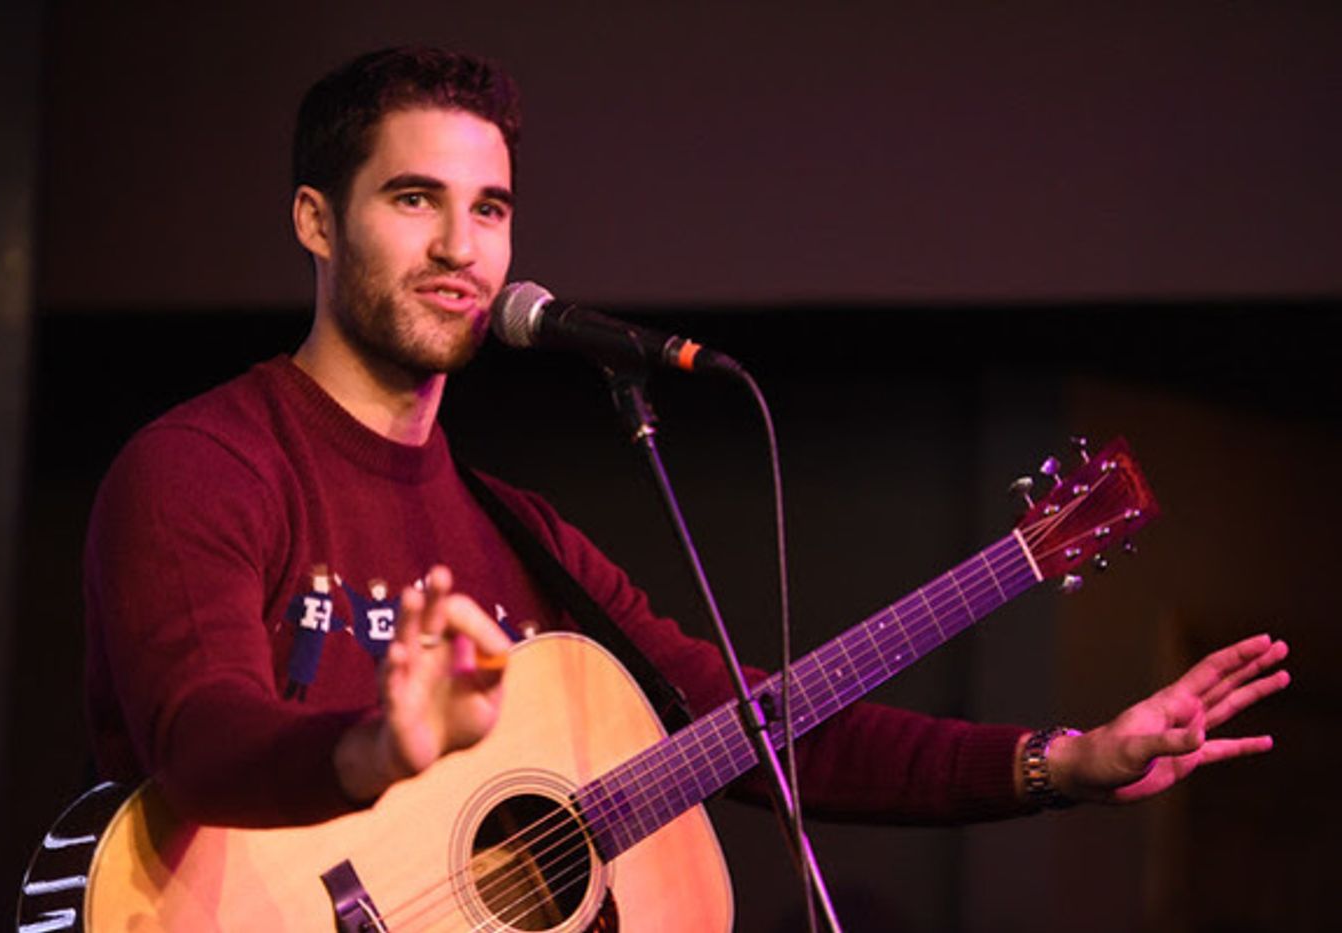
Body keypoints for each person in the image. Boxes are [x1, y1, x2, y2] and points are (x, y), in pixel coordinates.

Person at [84, 44, 1288, 859]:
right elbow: (196, 745)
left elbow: (761, 729)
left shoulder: (520, 537)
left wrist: (1061, 762)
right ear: (314, 220)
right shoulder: (205, 466)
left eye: (490, 209)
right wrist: (370, 746)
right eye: (413, 199)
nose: (461, 247)